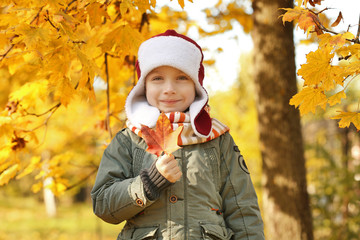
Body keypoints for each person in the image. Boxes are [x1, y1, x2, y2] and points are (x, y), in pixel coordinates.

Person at [91, 29, 264, 240]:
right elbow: (102, 204)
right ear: (143, 85)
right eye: (157, 78)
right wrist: (148, 184)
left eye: (182, 77)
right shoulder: (129, 139)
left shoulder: (217, 138)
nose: (169, 88)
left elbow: (243, 210)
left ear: (196, 85)